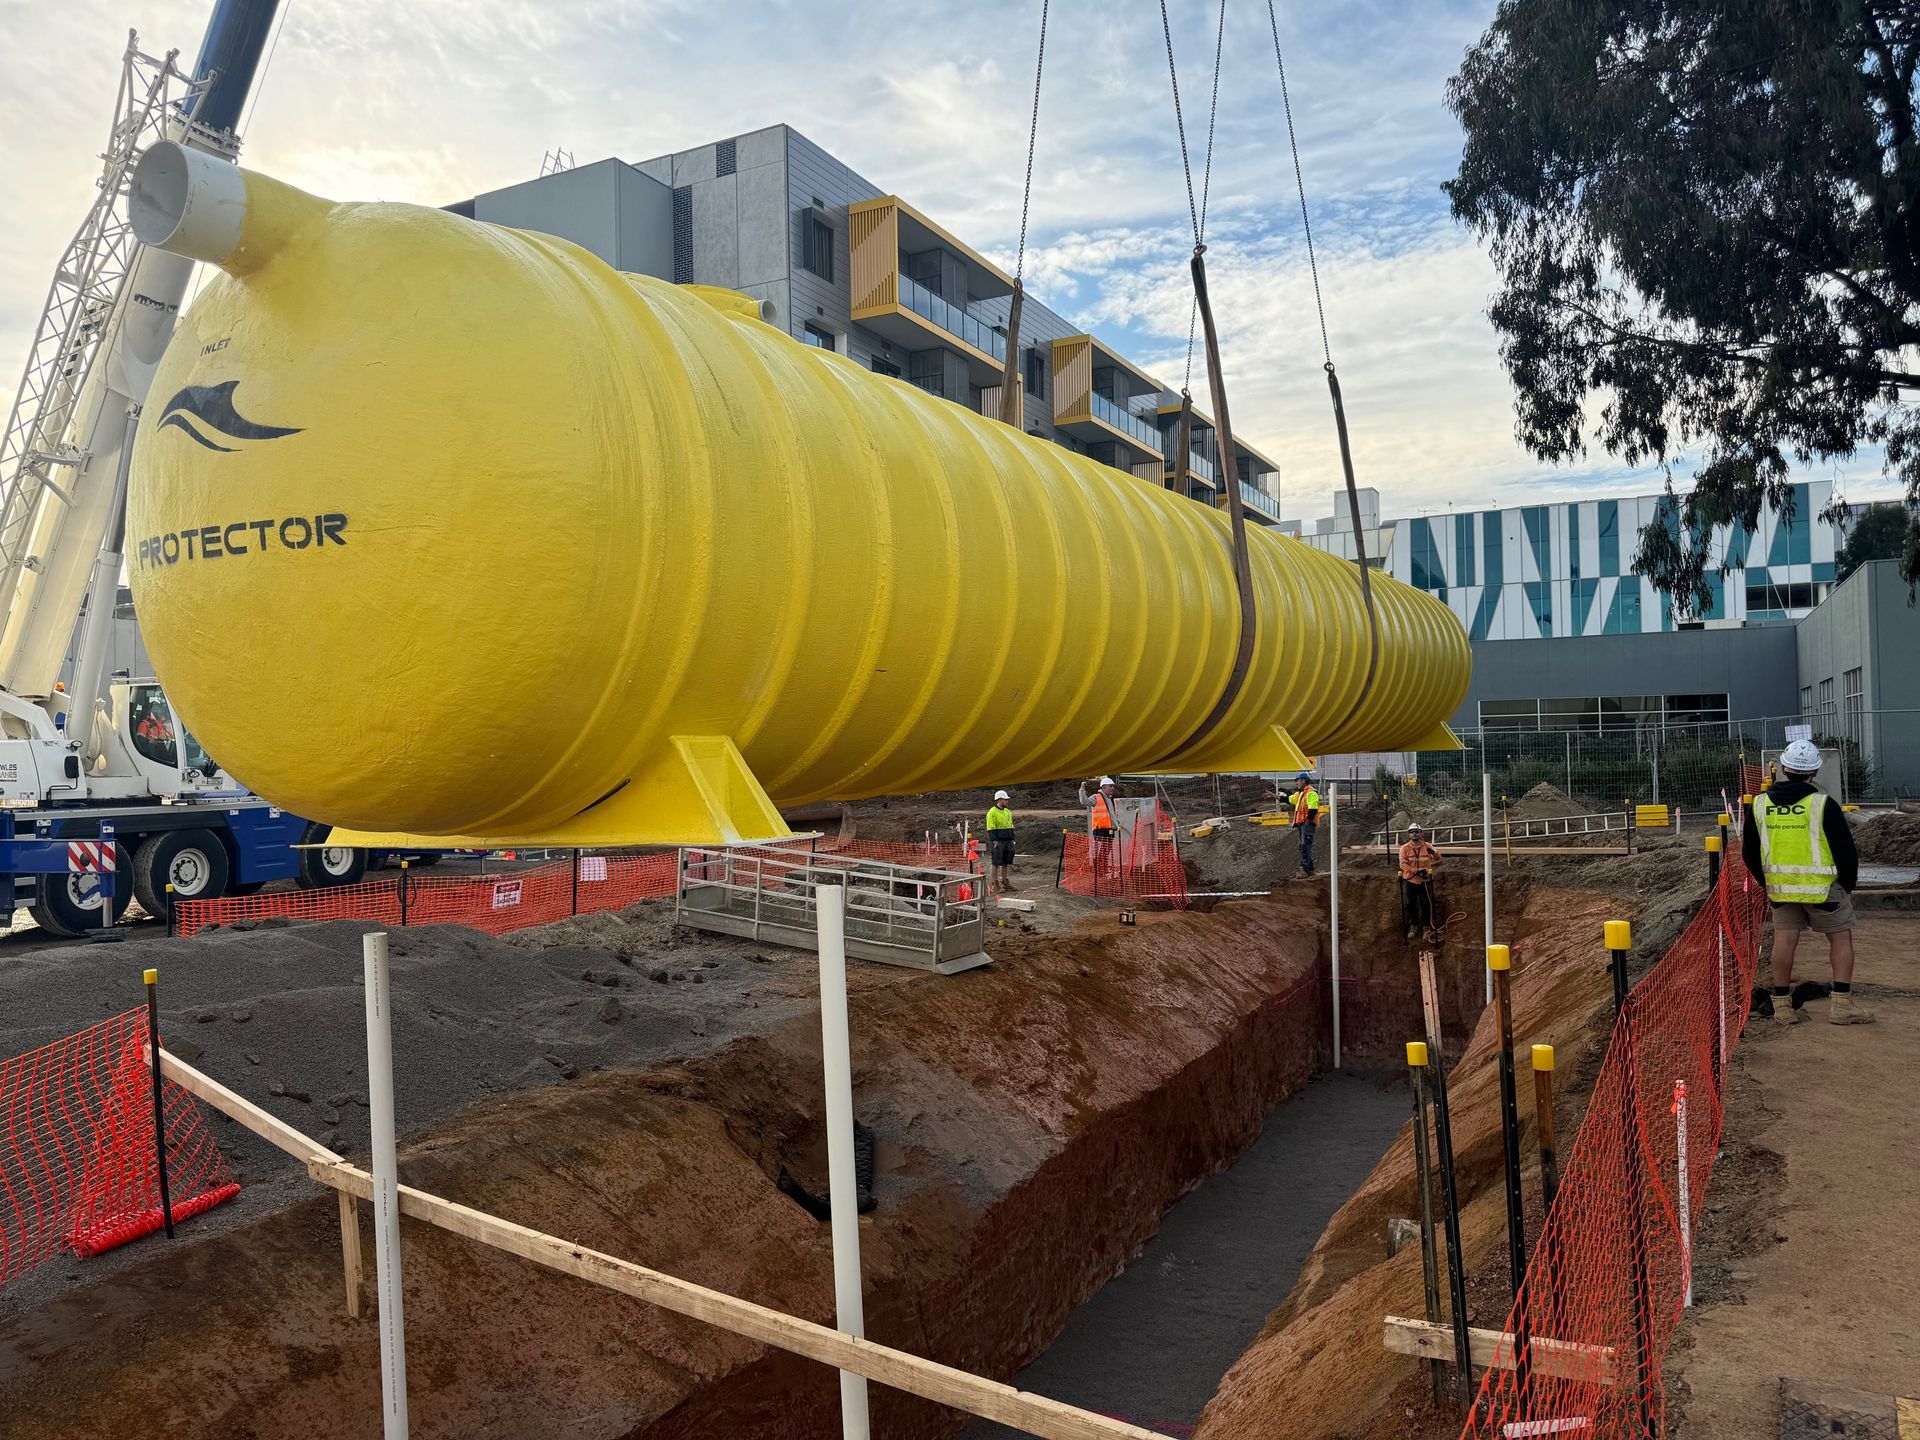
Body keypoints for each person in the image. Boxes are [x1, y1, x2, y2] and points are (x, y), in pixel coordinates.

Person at [1742, 738, 1870, 1026]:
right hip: (1825, 890)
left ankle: (1783, 1008)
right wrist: (1846, 885)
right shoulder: (1823, 805)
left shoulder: (1759, 806)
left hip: (1781, 889)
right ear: (1814, 772)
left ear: (1784, 768)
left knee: (1785, 940)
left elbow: (1749, 852)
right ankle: (1841, 1006)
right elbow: (1846, 852)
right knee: (1840, 939)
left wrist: (1767, 883)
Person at [1398, 822, 1439, 939]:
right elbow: (1403, 864)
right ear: (1409, 834)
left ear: (1421, 833)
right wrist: (1416, 871)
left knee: (1426, 904)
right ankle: (1414, 925)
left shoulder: (1427, 846)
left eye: (1416, 831)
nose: (1414, 834)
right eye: (1412, 832)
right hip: (1410, 880)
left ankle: (1426, 927)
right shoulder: (1404, 848)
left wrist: (1434, 853)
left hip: (1425, 881)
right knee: (1410, 904)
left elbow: (1438, 857)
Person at [1077, 775, 1120, 884]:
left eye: (1113, 786)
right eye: (1111, 786)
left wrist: (1115, 824)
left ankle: (1103, 870)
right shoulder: (1096, 797)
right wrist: (1082, 789)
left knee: (1105, 852)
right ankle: (1100, 872)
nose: (1113, 788)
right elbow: (1084, 801)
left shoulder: (1109, 798)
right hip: (1101, 829)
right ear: (1104, 787)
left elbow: (1110, 814)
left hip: (1109, 829)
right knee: (1102, 852)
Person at [1287, 772, 1322, 876]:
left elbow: (1313, 810)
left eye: (1298, 780)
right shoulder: (1300, 794)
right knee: (1304, 846)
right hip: (1301, 824)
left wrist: (1307, 822)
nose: (1297, 783)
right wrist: (1274, 796)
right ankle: (1309, 868)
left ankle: (1305, 869)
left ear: (1303, 780)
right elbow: (1288, 799)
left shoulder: (1311, 793)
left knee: (1305, 846)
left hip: (1308, 824)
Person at [985, 790, 1017, 893]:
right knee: (995, 862)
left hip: (1008, 840)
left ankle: (1005, 883)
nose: (1007, 801)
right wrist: (994, 840)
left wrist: (1012, 839)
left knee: (1005, 862)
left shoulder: (1008, 812)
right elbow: (990, 827)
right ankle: (995, 885)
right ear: (1000, 800)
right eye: (1006, 800)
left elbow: (1011, 826)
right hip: (998, 841)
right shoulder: (992, 812)